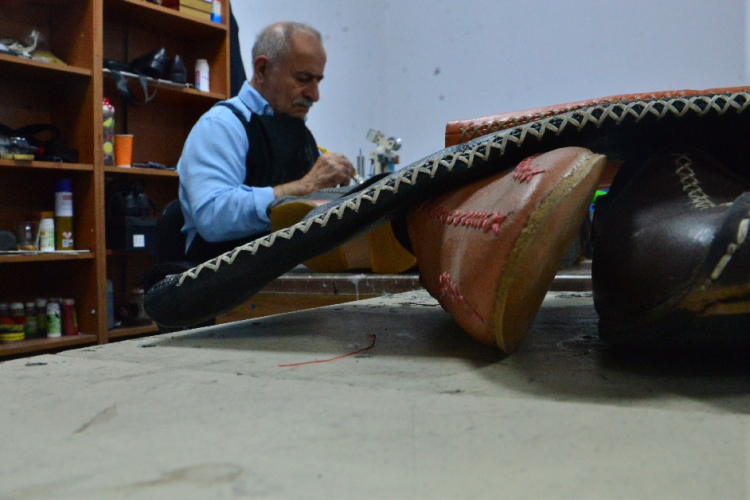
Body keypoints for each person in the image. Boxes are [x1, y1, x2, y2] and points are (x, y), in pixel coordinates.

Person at [177, 21, 355, 263]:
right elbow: (212, 218)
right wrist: (303, 188)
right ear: (262, 69)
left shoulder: (299, 131)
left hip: (286, 269)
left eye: (318, 81)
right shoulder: (220, 125)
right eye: (303, 79)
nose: (314, 95)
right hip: (225, 276)